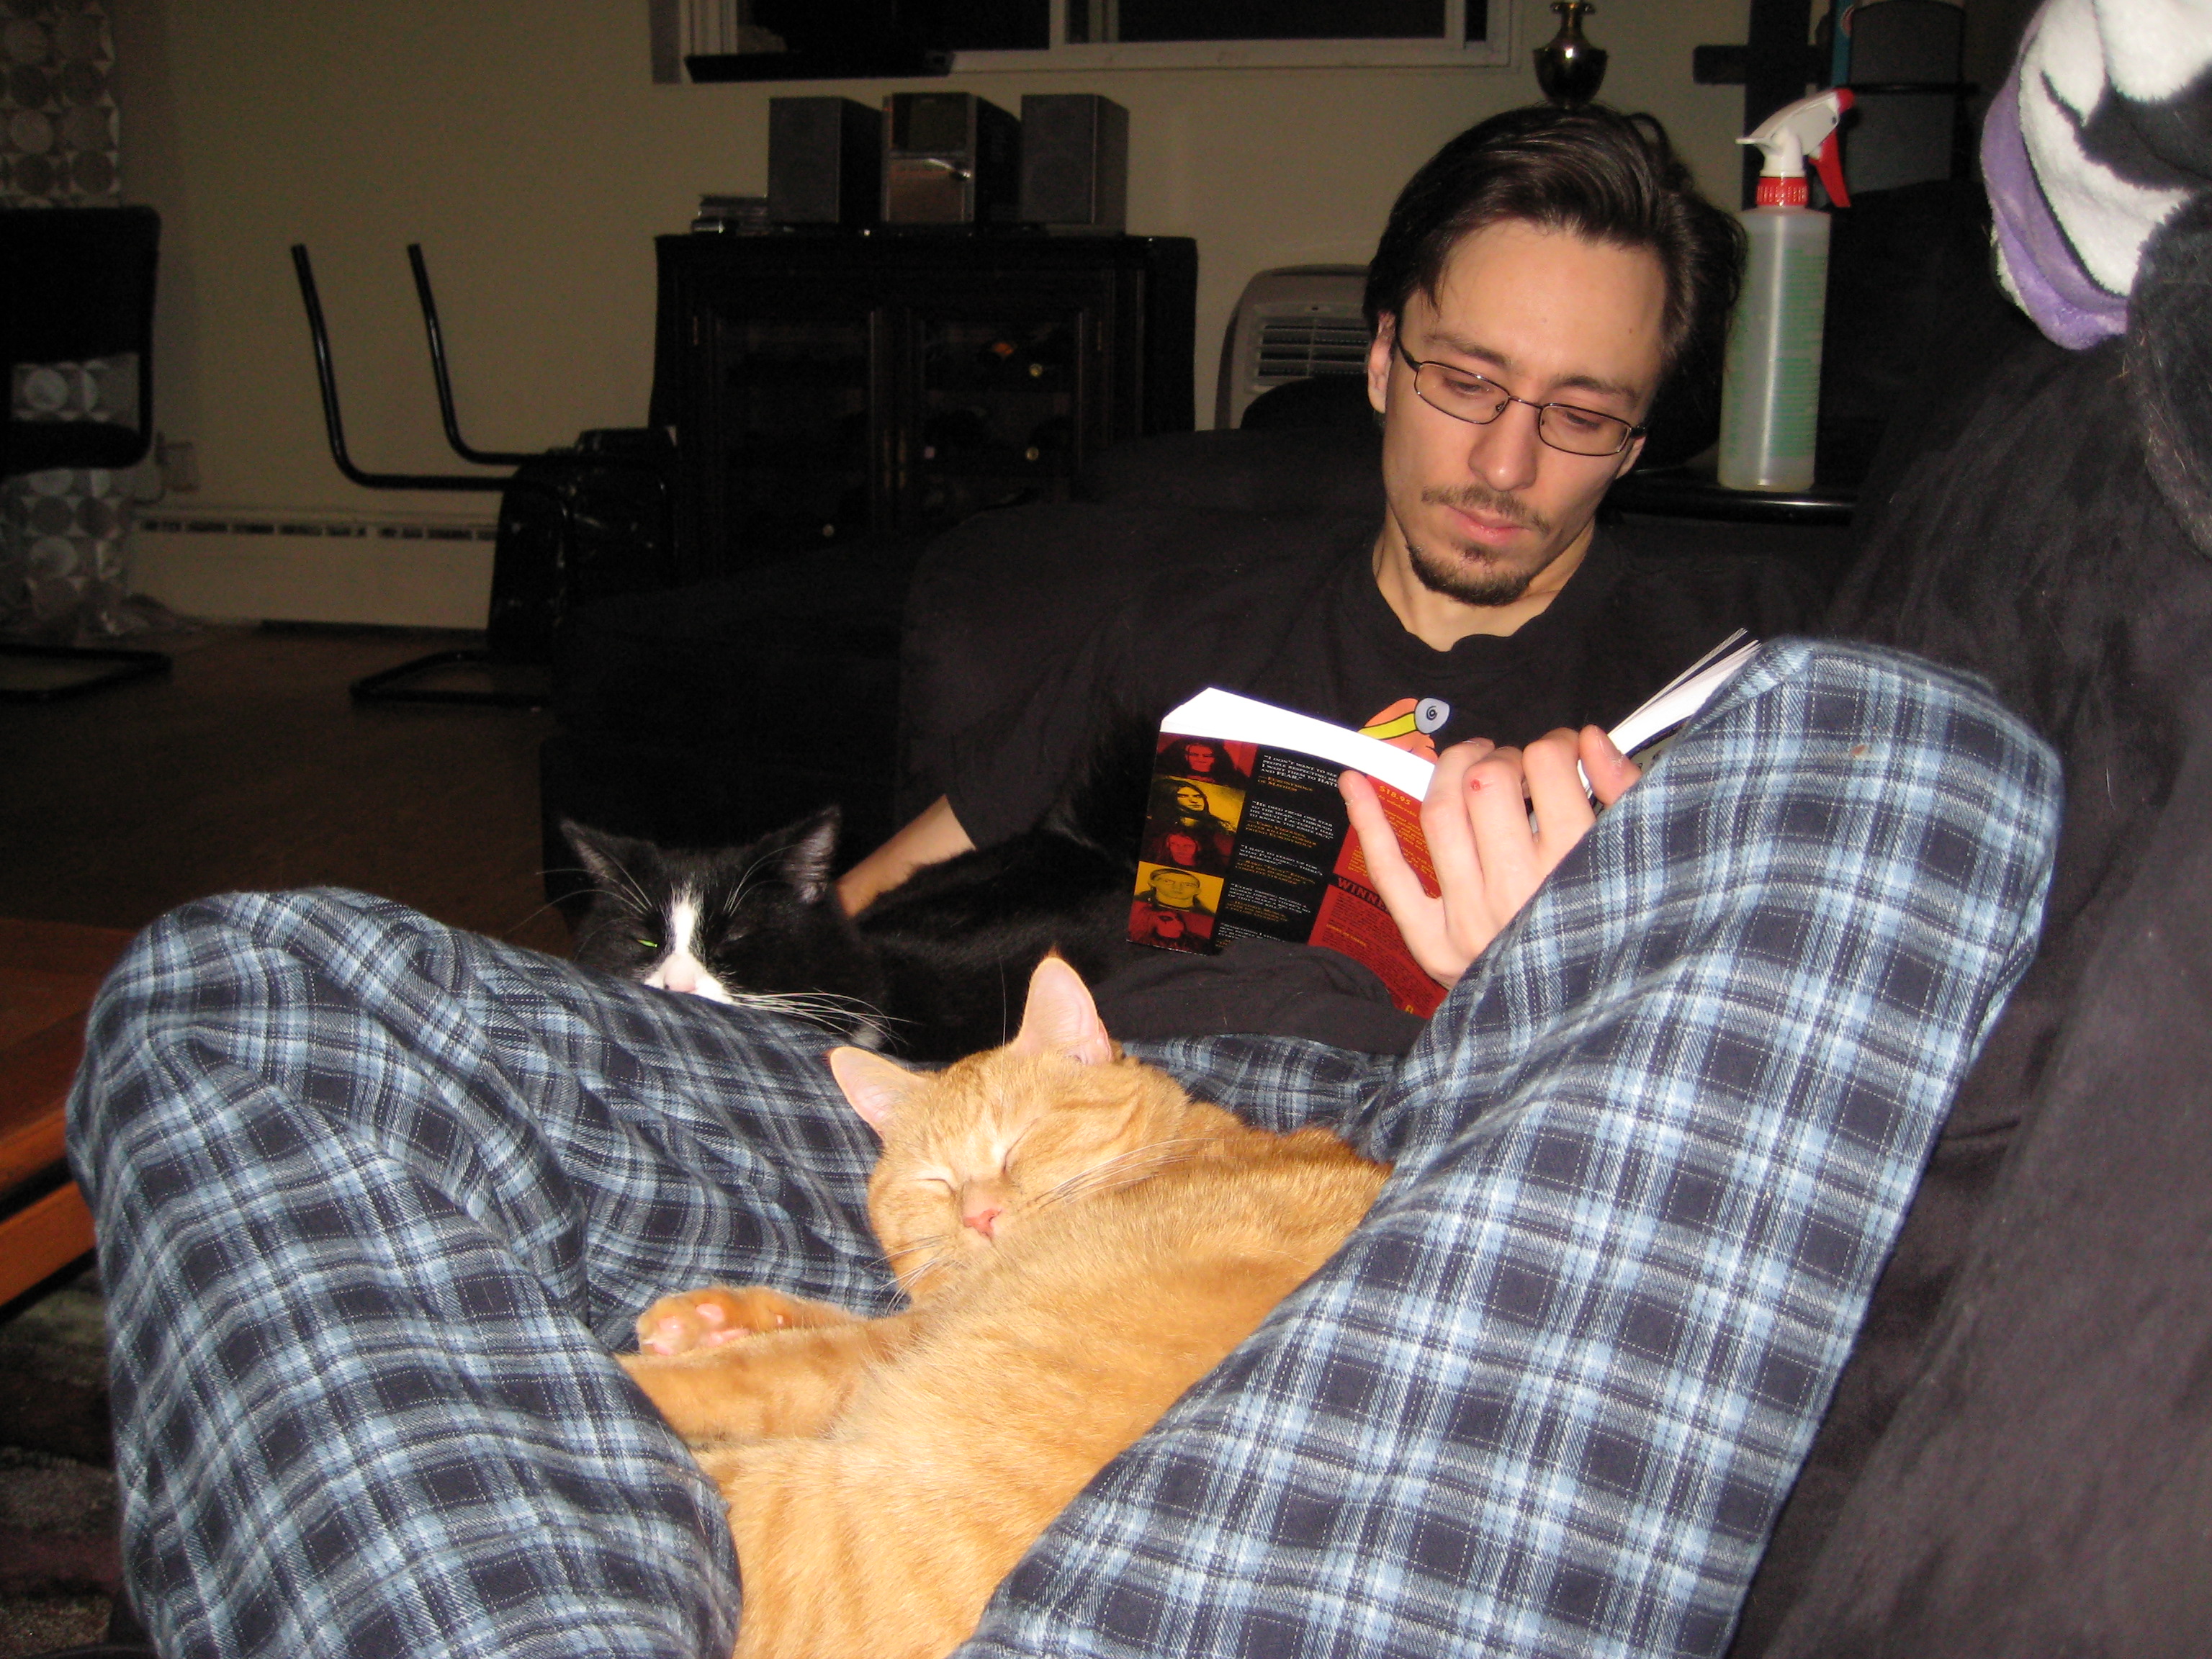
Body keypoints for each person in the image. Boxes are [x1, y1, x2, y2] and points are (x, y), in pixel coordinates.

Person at [65, 107, 2062, 1659]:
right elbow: (879, 904)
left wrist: (1542, 969)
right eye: (1468, 381)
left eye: (1581, 418)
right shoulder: (1176, 621)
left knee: (1911, 750)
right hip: (997, 1128)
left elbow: (1764, 1077)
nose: (1506, 460)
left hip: (1404, 1177)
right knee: (239, 987)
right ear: (1380, 355)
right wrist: (722, 1029)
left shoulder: (1725, 666)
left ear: (1639, 435)